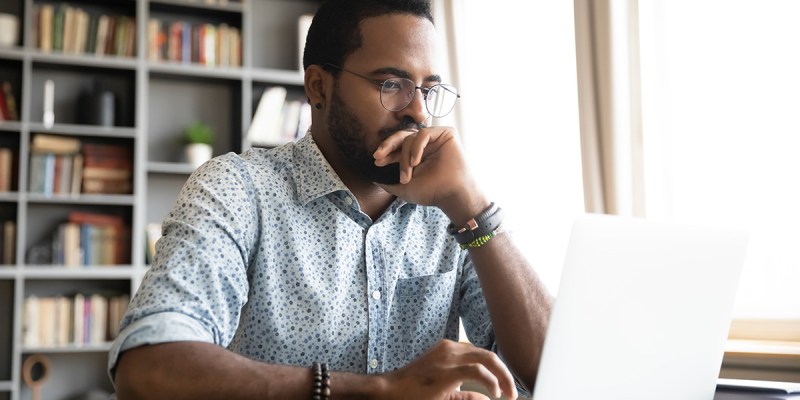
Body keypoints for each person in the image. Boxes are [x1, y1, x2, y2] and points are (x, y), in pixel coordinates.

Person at [109, 0, 552, 398]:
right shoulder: (238, 189)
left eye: (428, 89)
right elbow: (149, 366)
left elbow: (552, 374)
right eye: (392, 84)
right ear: (319, 87)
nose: (418, 111)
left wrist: (474, 208)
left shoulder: (452, 213)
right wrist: (381, 391)